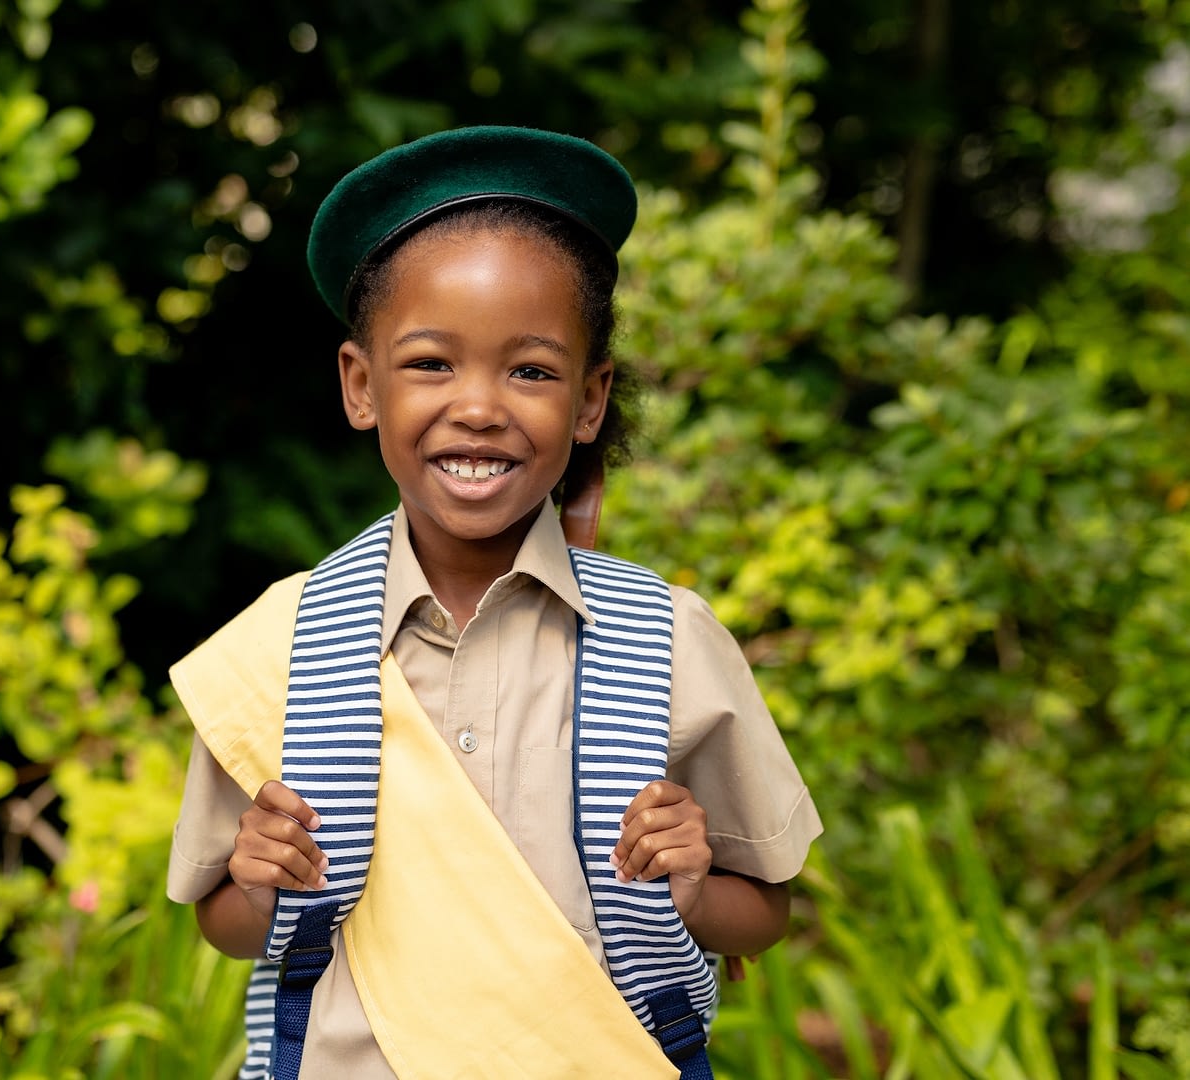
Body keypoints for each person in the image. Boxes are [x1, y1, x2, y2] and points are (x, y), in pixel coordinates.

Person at [165, 125, 822, 1079]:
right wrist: (263, 882)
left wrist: (688, 884)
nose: (479, 405)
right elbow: (224, 924)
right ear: (361, 386)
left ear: (590, 400)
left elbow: (763, 909)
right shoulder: (280, 647)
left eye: (532, 371)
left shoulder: (665, 639)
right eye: (431, 363)